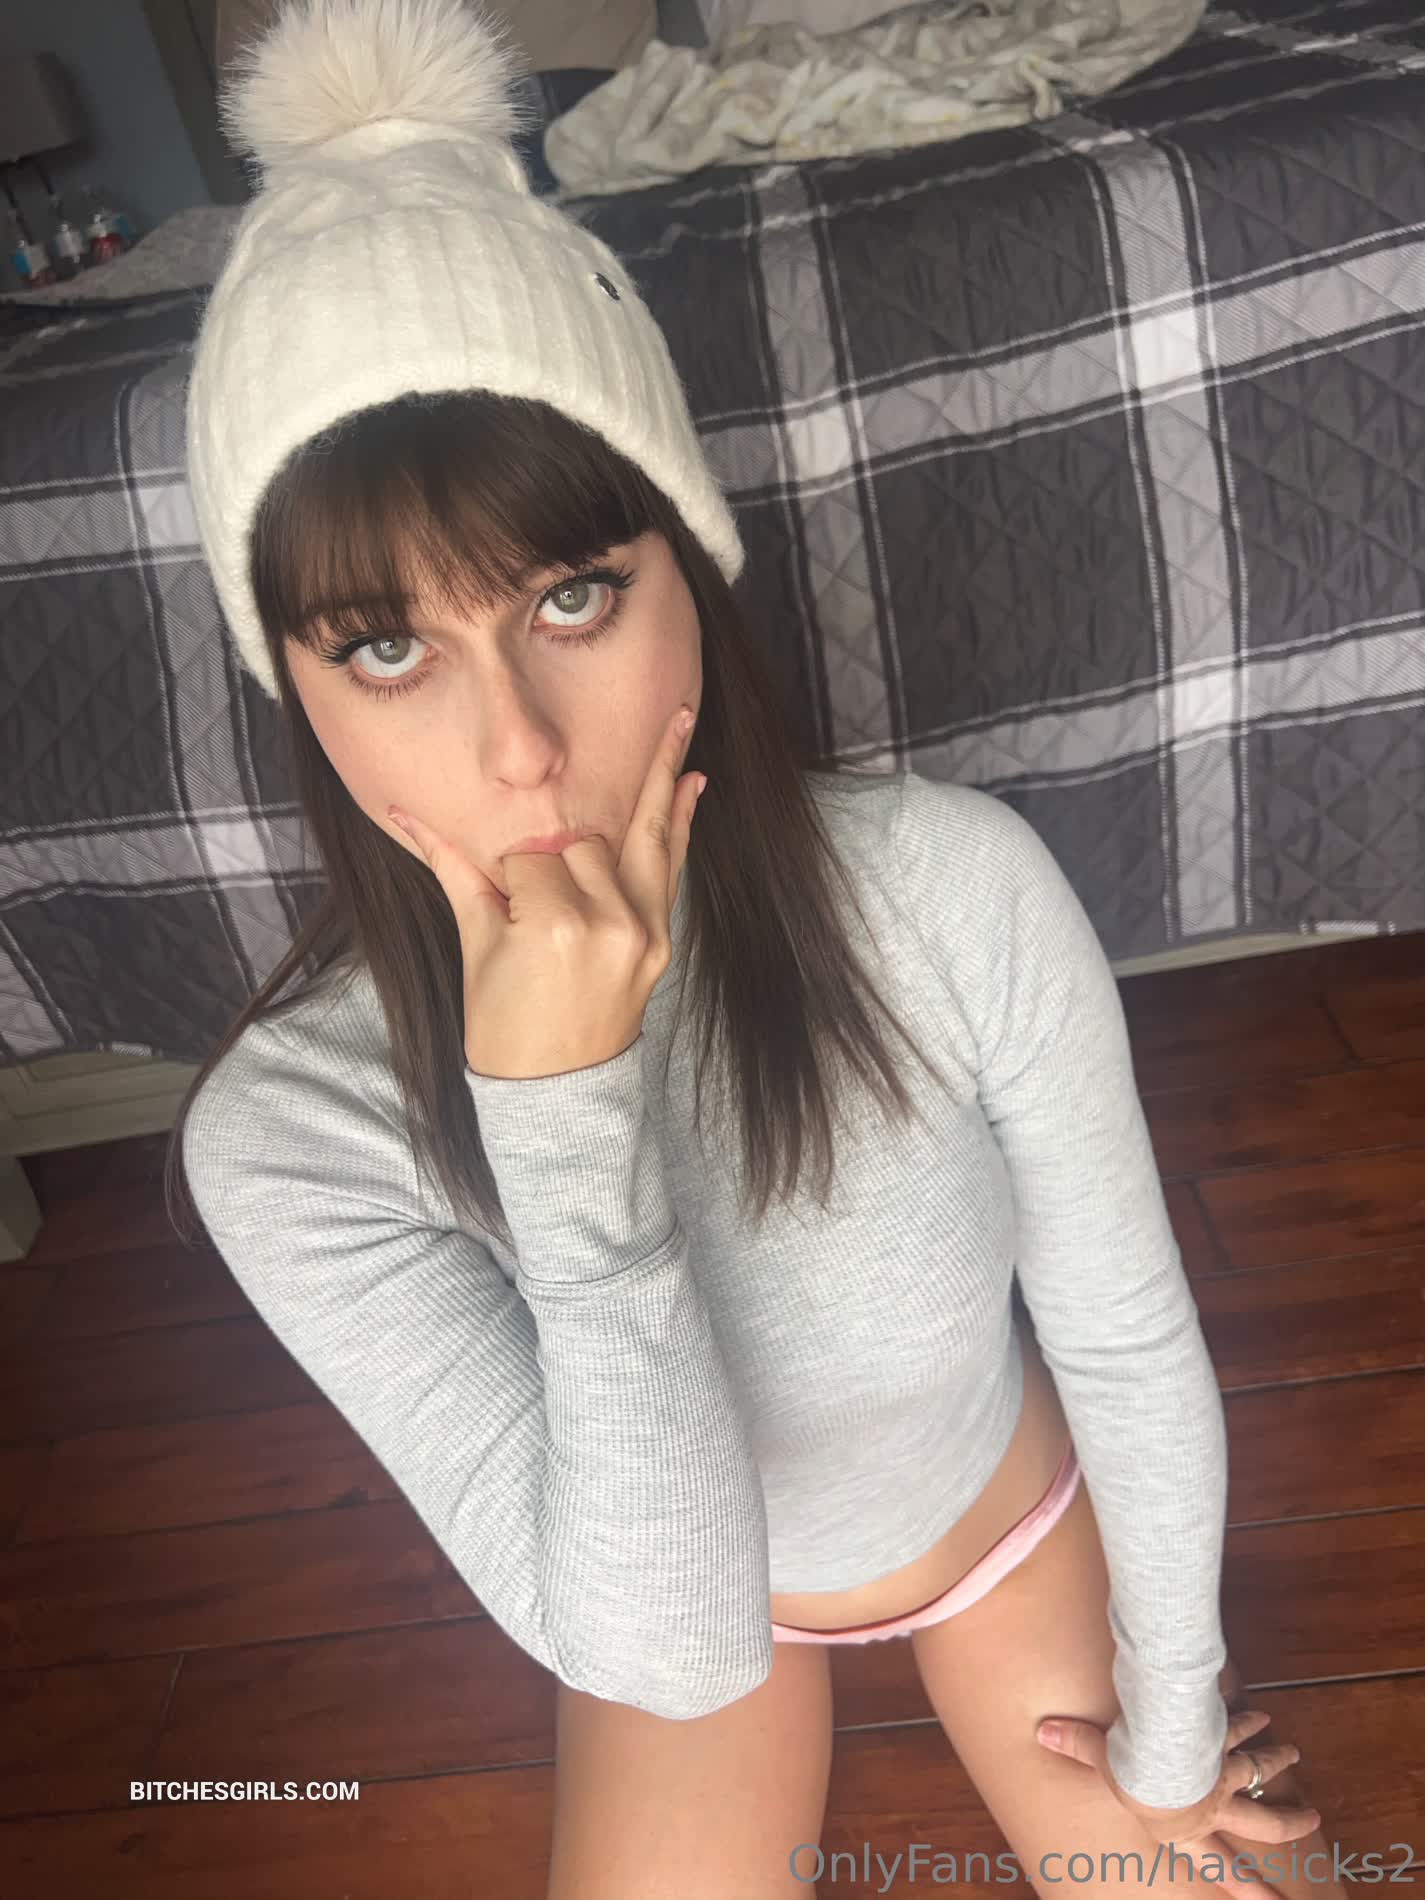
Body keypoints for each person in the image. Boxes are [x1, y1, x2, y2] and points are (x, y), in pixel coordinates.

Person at [167, 2, 1342, 1895]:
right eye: (385, 647)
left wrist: (1174, 1711)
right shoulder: (288, 1135)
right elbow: (670, 1649)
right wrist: (555, 1110)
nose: (518, 750)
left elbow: (1124, 1329)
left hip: (997, 1514)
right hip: (675, 1605)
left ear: (688, 574)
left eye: (572, 596)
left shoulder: (946, 885)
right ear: (295, 685)